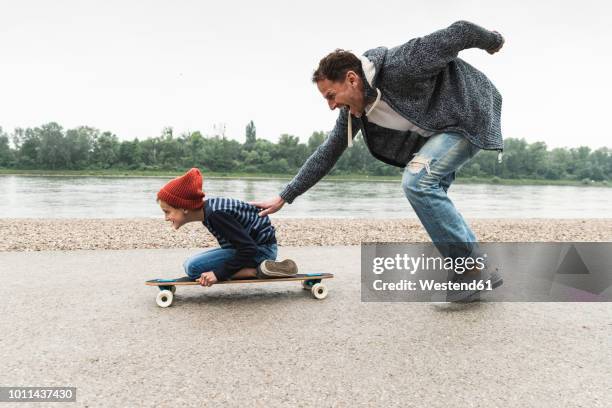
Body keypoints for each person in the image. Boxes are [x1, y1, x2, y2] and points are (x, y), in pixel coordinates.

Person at [251, 21, 505, 300]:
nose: (331, 106)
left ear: (352, 79)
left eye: (331, 96)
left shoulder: (402, 64)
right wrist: (286, 195)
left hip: (470, 114)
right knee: (430, 193)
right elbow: (328, 152)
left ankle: (471, 270)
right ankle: (474, 268)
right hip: (441, 131)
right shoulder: (355, 113)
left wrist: (492, 41)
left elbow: (460, 32)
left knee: (418, 182)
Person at [157, 168, 297, 287]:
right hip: (256, 247)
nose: (166, 217)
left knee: (193, 268)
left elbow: (248, 248)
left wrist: (218, 274)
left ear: (184, 208)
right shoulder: (209, 210)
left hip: (261, 250)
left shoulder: (215, 215)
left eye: (167, 211)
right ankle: (261, 266)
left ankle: (258, 270)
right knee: (189, 263)